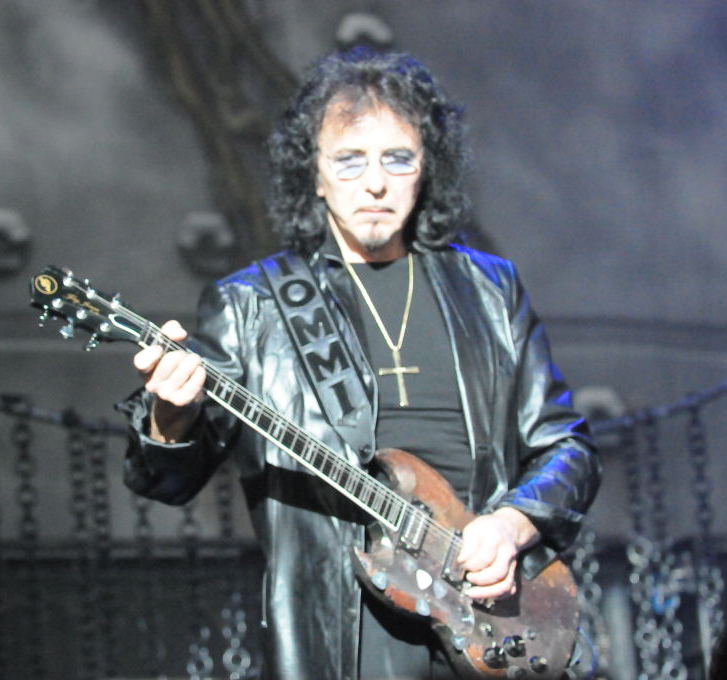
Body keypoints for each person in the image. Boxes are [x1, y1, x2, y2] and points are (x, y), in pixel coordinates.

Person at [118, 47, 601, 680]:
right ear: (314, 175)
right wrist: (170, 416)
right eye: (349, 160)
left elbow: (567, 447)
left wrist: (512, 526)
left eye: (397, 159)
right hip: (347, 628)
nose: (375, 183)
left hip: (497, 611)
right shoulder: (254, 304)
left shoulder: (490, 289)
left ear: (426, 169)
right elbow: (166, 478)